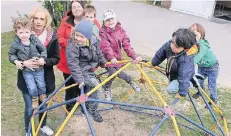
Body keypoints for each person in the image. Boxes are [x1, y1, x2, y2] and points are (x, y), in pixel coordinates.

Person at [16, 7, 60, 136]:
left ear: (46, 21)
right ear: (32, 19)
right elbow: (13, 55)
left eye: (42, 19)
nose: (38, 21)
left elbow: (56, 58)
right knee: (30, 108)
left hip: (45, 78)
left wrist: (45, 61)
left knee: (43, 105)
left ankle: (43, 126)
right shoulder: (24, 34)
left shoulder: (52, 37)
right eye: (36, 18)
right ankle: (28, 130)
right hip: (27, 78)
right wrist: (23, 63)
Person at [66, 19, 106, 122]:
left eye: (81, 37)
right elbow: (73, 63)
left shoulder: (94, 40)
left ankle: (87, 107)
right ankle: (93, 110)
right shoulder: (73, 44)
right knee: (97, 87)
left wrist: (103, 62)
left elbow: (98, 52)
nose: (78, 38)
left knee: (91, 89)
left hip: (90, 68)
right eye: (77, 35)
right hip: (81, 70)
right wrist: (80, 79)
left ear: (88, 36)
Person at [99, 9, 142, 101]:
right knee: (113, 73)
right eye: (107, 20)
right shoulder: (102, 32)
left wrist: (134, 56)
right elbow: (105, 46)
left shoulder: (121, 29)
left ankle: (130, 81)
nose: (110, 22)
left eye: (112, 19)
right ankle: (107, 87)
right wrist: (111, 57)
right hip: (106, 57)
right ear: (104, 22)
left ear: (115, 19)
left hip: (117, 57)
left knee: (119, 71)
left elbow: (126, 44)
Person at [9, 17, 47, 110]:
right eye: (21, 32)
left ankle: (43, 95)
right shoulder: (15, 44)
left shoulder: (34, 40)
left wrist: (42, 58)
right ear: (16, 33)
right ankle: (35, 98)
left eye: (26, 32)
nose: (24, 35)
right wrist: (16, 61)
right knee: (32, 87)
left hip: (38, 68)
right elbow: (11, 55)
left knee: (41, 84)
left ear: (30, 31)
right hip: (27, 70)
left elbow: (43, 50)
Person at [151, 28, 198, 98]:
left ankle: (191, 82)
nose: (172, 46)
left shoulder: (185, 60)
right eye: (172, 42)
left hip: (185, 76)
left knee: (170, 89)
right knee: (172, 81)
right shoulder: (170, 44)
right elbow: (160, 53)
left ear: (186, 49)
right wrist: (153, 63)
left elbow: (183, 76)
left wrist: (182, 93)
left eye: (177, 46)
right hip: (174, 71)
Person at [57, 0, 85, 112]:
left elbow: (96, 38)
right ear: (71, 10)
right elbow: (59, 37)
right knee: (70, 84)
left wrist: (83, 43)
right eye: (74, 7)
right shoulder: (65, 21)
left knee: (84, 84)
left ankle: (83, 102)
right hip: (68, 60)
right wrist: (71, 44)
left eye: (79, 6)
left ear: (83, 8)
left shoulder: (89, 19)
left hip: (84, 60)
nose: (77, 9)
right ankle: (70, 106)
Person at [190, 23, 219, 104]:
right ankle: (200, 92)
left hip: (212, 67)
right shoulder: (191, 44)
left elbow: (198, 56)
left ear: (201, 33)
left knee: (211, 86)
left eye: (195, 32)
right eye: (191, 32)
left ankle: (213, 99)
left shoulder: (203, 44)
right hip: (202, 67)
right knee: (199, 82)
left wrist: (189, 65)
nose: (193, 33)